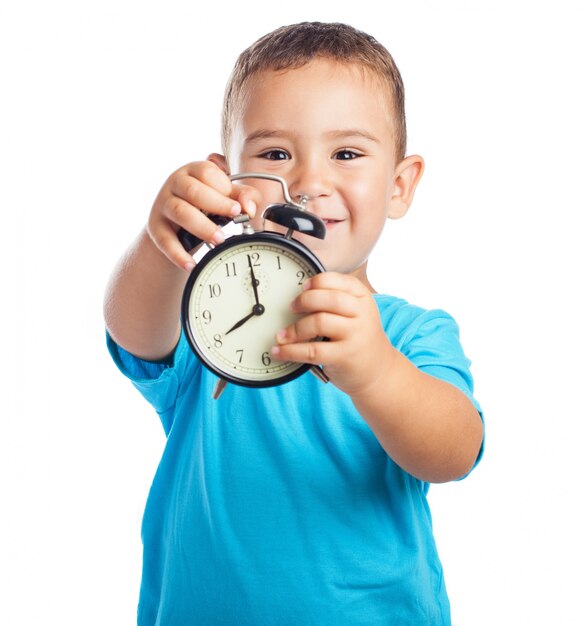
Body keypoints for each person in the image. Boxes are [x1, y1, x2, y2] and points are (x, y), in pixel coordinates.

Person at [104, 21, 484, 625]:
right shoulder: (207, 312)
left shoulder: (410, 334)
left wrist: (375, 371)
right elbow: (133, 330)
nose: (308, 184)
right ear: (227, 177)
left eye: (347, 154)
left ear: (400, 185)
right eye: (275, 153)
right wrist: (164, 242)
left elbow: (454, 453)